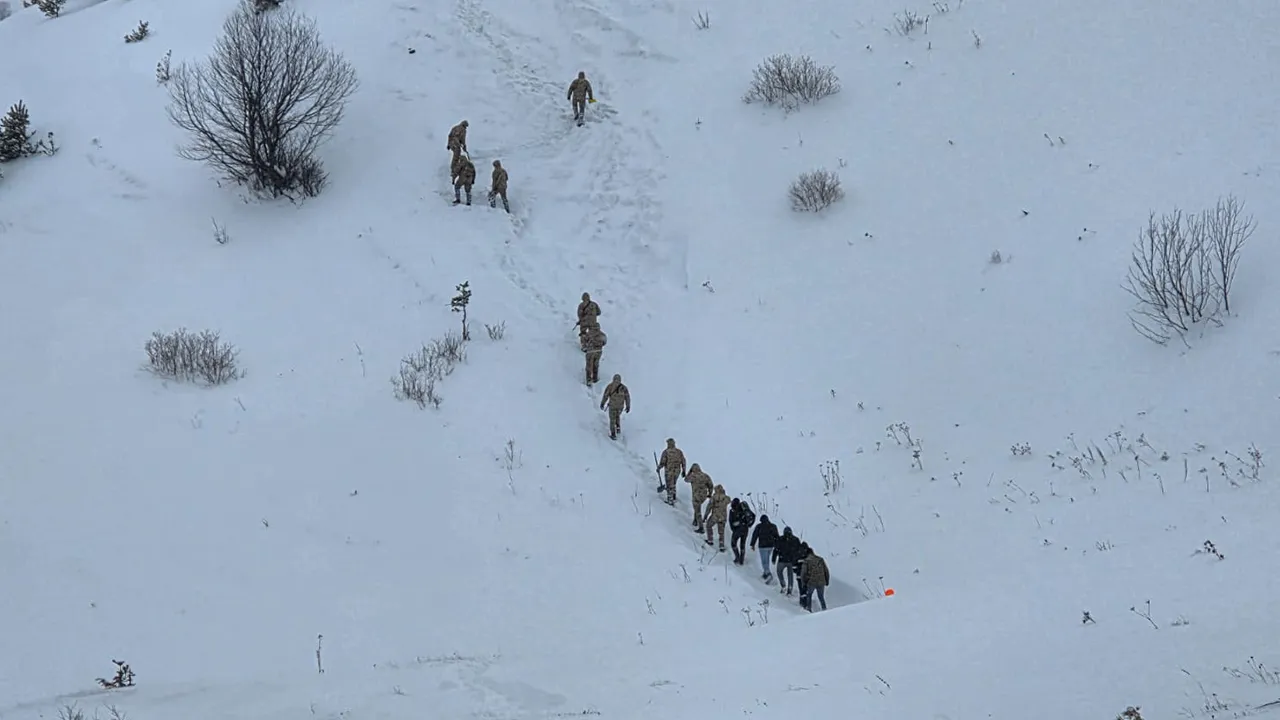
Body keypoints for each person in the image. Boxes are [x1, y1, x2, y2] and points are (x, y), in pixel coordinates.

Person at [656, 438, 686, 506]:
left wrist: (659, 468)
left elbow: (663, 462)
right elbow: (683, 461)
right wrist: (684, 470)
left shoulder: (666, 452)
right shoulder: (679, 452)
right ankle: (674, 496)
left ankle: (670, 500)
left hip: (669, 471)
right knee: (673, 483)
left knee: (669, 485)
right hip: (677, 471)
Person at [599, 373, 630, 440]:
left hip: (612, 406)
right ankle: (618, 428)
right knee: (617, 417)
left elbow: (606, 396)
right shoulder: (624, 388)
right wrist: (628, 406)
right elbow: (627, 398)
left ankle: (613, 434)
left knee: (612, 419)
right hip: (620, 407)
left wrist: (602, 403)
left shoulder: (610, 386)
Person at [750, 514, 779, 583]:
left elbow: (755, 535)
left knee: (764, 561)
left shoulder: (759, 526)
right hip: (771, 546)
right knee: (767, 559)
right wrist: (777, 545)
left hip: (762, 546)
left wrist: (752, 544)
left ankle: (768, 573)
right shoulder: (773, 526)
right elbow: (776, 536)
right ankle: (765, 573)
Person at [772, 527, 801, 596]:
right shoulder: (796, 539)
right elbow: (799, 551)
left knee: (779, 572)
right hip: (791, 561)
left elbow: (776, 549)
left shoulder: (780, 539)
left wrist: (773, 558)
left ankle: (783, 585)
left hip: (782, 559)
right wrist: (797, 560)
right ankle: (789, 589)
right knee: (790, 575)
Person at [685, 463, 713, 533]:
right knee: (697, 507)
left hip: (696, 496)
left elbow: (686, 479)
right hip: (704, 496)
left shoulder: (693, 476)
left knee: (698, 511)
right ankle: (695, 521)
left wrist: (689, 472)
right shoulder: (705, 476)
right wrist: (710, 494)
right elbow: (711, 485)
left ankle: (701, 527)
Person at [728, 499, 755, 565]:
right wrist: (749, 525)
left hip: (737, 529)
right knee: (742, 544)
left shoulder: (732, 510)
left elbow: (730, 521)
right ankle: (741, 560)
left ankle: (737, 558)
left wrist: (733, 529)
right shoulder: (744, 508)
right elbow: (753, 516)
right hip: (745, 529)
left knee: (733, 543)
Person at [703, 485, 730, 551]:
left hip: (715, 516)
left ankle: (710, 540)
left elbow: (709, 507)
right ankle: (721, 545)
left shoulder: (714, 497)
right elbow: (729, 501)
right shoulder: (726, 498)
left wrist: (705, 516)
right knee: (721, 532)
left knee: (708, 525)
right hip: (723, 517)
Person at [795, 542, 813, 607]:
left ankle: (802, 602)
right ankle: (807, 603)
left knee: (801, 589)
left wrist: (796, 571)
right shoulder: (810, 553)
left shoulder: (797, 553)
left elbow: (794, 564)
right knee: (807, 589)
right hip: (807, 575)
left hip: (799, 575)